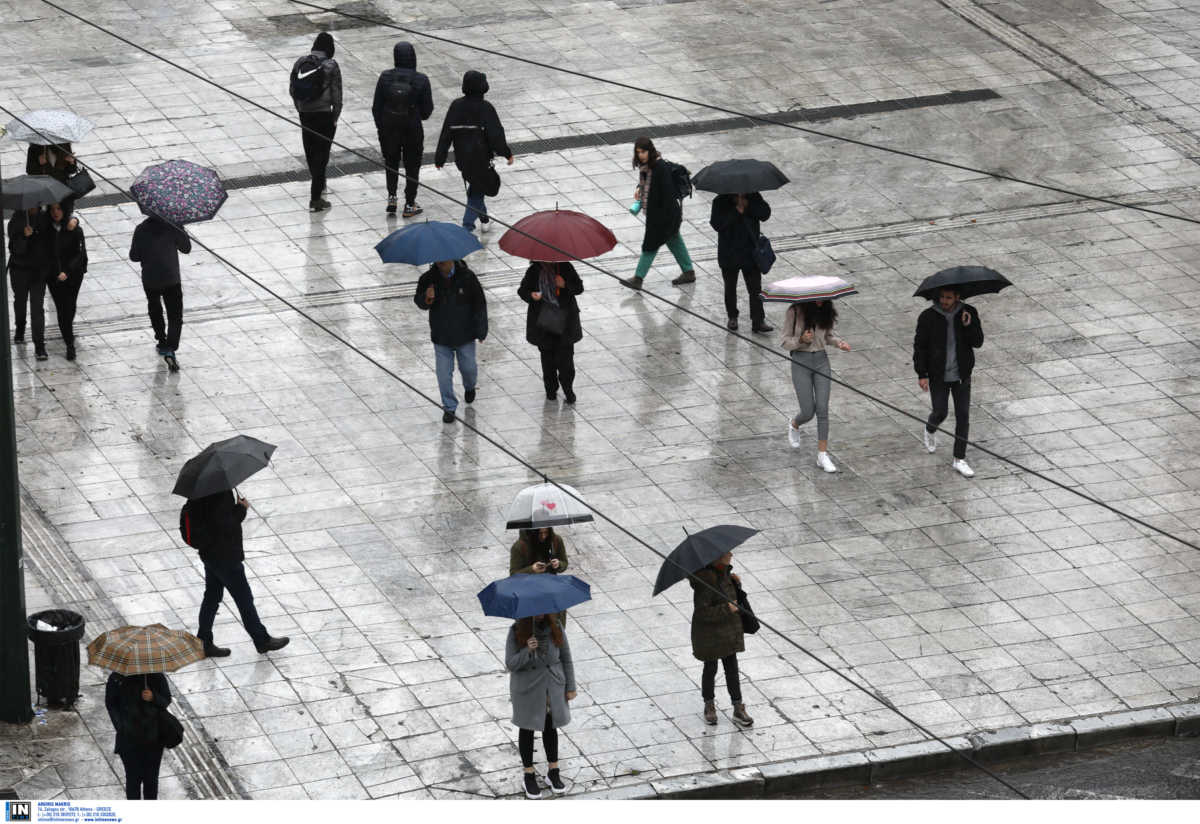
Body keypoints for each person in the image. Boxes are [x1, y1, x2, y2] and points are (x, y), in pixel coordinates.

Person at [189, 490, 289, 656]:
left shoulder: (199, 493)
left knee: (212, 597)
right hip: (226, 557)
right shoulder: (219, 493)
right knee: (244, 600)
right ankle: (262, 640)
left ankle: (204, 642)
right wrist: (241, 509)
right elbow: (225, 524)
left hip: (209, 554)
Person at [913, 286, 984, 478]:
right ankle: (930, 427)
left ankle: (959, 458)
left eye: (948, 298)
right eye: (942, 297)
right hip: (938, 376)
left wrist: (968, 326)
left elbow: (978, 342)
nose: (944, 301)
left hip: (961, 375)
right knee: (940, 411)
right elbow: (920, 346)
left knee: (963, 416)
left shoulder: (968, 313)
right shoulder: (928, 317)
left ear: (957, 297)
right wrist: (922, 374)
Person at [505, 614, 576, 798]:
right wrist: (527, 650)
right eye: (536, 611)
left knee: (551, 727)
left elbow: (566, 658)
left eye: (543, 610)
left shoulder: (556, 627)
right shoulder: (516, 630)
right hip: (527, 688)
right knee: (527, 729)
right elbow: (511, 664)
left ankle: (553, 772)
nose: (540, 614)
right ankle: (529, 774)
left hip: (552, 686)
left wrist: (571, 686)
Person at [434, 70, 513, 233]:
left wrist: (440, 157)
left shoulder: (456, 106)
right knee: (476, 193)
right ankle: (467, 227)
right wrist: (506, 153)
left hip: (462, 159)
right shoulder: (486, 108)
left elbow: (446, 133)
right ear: (483, 87)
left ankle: (484, 219)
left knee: (476, 187)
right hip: (481, 158)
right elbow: (496, 135)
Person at [413, 259, 488, 423]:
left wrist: (481, 330)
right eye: (438, 261)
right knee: (443, 375)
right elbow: (419, 302)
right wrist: (427, 298)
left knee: (468, 368)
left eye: (444, 260)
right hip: (441, 336)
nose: (441, 263)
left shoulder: (467, 277)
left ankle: (470, 387)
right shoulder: (428, 279)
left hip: (465, 334)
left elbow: (479, 303)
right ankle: (449, 407)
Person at [782, 300, 851, 473]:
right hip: (800, 361)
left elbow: (828, 337)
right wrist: (801, 340)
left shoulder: (826, 311)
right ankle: (795, 424)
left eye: (823, 299)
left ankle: (822, 455)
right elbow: (784, 342)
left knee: (822, 409)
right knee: (808, 411)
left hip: (821, 361)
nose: (820, 302)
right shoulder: (795, 312)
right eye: (817, 300)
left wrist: (839, 343)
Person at [619, 137, 695, 290]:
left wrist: (660, 218)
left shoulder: (659, 168)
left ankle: (638, 278)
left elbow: (666, 194)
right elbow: (648, 185)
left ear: (650, 150)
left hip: (664, 215)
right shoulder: (647, 167)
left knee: (650, 246)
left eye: (644, 151)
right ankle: (688, 272)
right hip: (661, 214)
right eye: (638, 152)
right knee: (674, 240)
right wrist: (640, 189)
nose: (641, 155)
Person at [372, 41, 434, 217]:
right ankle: (409, 204)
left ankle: (392, 197)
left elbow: (376, 107)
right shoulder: (421, 79)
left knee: (391, 162)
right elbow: (427, 111)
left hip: (389, 129)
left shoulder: (385, 77)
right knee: (412, 166)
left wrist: (381, 127)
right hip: (412, 129)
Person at [690, 550, 752, 727]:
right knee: (711, 669)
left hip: (728, 631)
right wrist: (727, 608)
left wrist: (736, 585)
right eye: (727, 553)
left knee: (732, 669)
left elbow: (732, 600)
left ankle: (738, 708)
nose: (731, 554)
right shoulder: (705, 582)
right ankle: (709, 706)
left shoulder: (725, 576)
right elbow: (702, 613)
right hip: (709, 635)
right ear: (717, 557)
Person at [290, 32, 342, 213]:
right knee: (322, 154)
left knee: (311, 152)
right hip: (324, 116)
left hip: (306, 114)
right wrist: (335, 116)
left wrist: (300, 109)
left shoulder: (300, 62)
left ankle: (318, 183)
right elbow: (337, 93)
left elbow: (292, 89)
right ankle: (315, 197)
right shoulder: (331, 66)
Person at [517, 261, 583, 404]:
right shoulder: (534, 270)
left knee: (566, 361)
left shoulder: (565, 267)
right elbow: (522, 291)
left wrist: (564, 284)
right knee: (547, 360)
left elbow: (579, 287)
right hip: (543, 323)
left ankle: (568, 389)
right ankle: (551, 390)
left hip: (564, 324)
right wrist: (531, 295)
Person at [129, 216, 191, 361]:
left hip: (150, 278)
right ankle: (171, 347)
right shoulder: (173, 225)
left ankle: (161, 340)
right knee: (175, 315)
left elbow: (134, 256)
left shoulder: (141, 229)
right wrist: (181, 228)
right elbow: (186, 248)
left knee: (154, 307)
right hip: (171, 278)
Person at [710, 192, 772, 333]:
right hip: (729, 253)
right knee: (730, 288)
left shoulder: (753, 196)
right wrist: (736, 212)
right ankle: (732, 316)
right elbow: (716, 224)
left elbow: (765, 214)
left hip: (750, 253)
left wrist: (748, 205)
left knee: (755, 288)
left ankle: (758, 320)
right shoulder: (720, 201)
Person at [105, 671, 171, 799]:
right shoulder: (117, 678)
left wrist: (153, 697)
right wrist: (122, 726)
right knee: (133, 779)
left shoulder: (155, 675)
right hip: (129, 739)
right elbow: (111, 704)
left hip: (153, 738)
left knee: (151, 779)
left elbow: (166, 700)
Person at [39, 203, 85, 361]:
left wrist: (68, 271)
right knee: (61, 309)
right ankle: (69, 343)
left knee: (70, 306)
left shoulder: (73, 228)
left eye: (58, 209)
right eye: (52, 209)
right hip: (54, 277)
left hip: (73, 276)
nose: (55, 212)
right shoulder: (46, 229)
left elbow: (79, 255)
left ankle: (68, 331)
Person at [8, 205, 47, 359]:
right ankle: (20, 329)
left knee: (37, 308)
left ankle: (40, 345)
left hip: (38, 272)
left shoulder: (43, 218)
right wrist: (24, 236)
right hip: (20, 270)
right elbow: (14, 249)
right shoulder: (16, 220)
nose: (35, 207)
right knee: (20, 302)